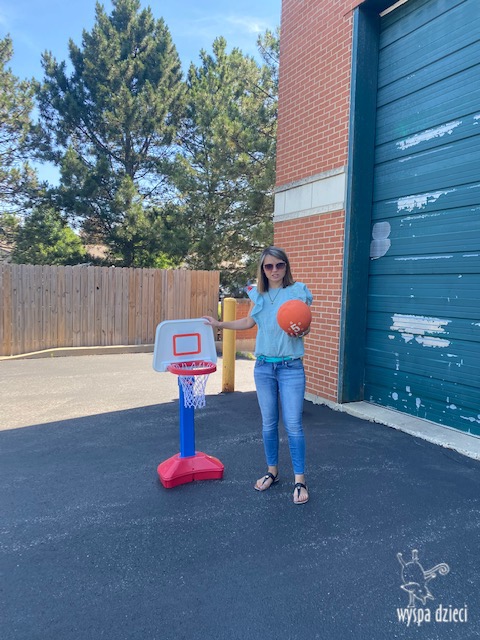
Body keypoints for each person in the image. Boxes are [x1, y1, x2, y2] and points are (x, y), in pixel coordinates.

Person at [204, 246, 313, 504]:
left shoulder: (297, 291)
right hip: (264, 367)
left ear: (286, 266)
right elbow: (248, 322)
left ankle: (300, 480)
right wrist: (219, 324)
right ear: (263, 269)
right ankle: (272, 472)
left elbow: (304, 324)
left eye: (279, 265)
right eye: (269, 266)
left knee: (293, 425)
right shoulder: (258, 295)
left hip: (290, 367)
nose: (274, 270)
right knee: (268, 424)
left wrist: (302, 330)